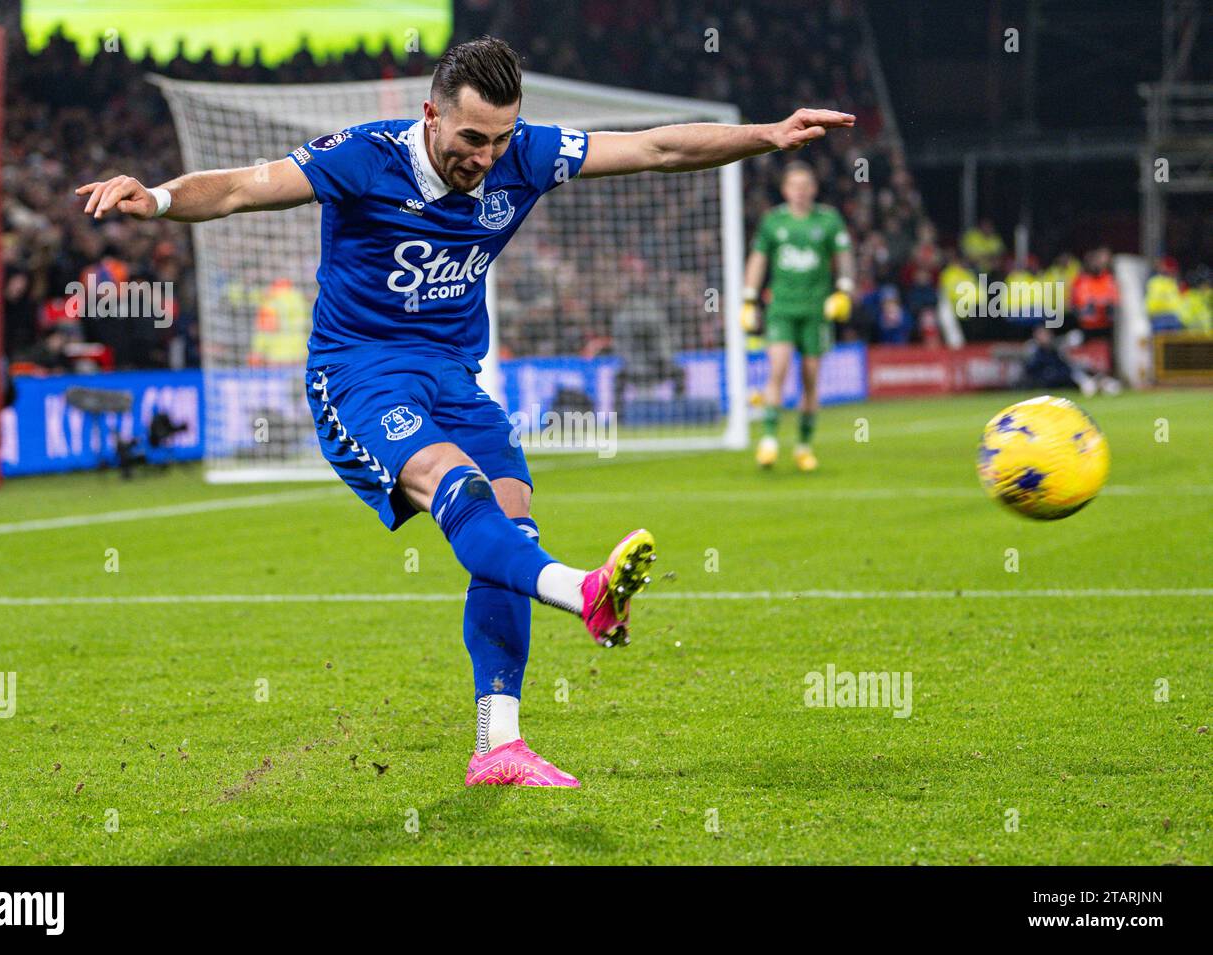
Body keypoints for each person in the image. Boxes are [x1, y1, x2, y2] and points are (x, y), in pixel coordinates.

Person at [76, 36, 855, 787]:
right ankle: (582, 592)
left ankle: (500, 744)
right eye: (472, 137)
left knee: (511, 524)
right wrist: (161, 198)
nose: (484, 157)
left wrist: (767, 134)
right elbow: (246, 185)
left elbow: (654, 148)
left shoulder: (527, 154)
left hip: (454, 376)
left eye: (499, 139)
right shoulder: (366, 157)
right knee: (465, 494)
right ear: (431, 114)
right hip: (361, 374)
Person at [741, 161, 854, 471]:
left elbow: (844, 257)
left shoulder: (828, 220)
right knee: (777, 368)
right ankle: (768, 441)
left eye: (806, 186)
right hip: (782, 309)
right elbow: (758, 259)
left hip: (816, 312)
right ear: (785, 190)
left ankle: (803, 446)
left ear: (813, 189)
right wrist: (748, 299)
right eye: (795, 186)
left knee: (810, 378)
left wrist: (844, 290)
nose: (801, 192)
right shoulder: (773, 222)